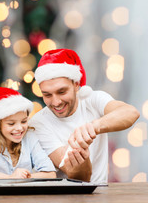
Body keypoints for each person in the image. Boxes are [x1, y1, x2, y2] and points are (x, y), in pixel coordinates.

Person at [29, 49, 140, 183]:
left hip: (101, 194)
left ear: (76, 85)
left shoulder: (92, 99)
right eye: (47, 95)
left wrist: (93, 127)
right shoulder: (38, 123)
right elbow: (78, 178)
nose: (56, 102)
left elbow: (131, 113)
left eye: (62, 92)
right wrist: (82, 158)